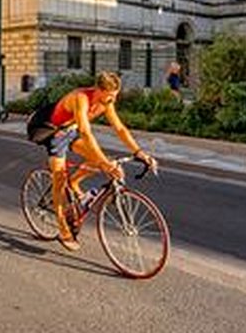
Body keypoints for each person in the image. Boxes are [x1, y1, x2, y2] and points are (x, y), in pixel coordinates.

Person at [32, 71, 157, 251]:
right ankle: (62, 225)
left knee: (101, 161)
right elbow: (85, 131)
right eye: (109, 96)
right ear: (98, 90)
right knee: (59, 177)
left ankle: (74, 182)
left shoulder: (107, 102)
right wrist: (104, 162)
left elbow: (120, 129)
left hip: (71, 131)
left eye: (115, 96)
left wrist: (139, 152)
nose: (111, 101)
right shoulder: (80, 98)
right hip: (54, 132)